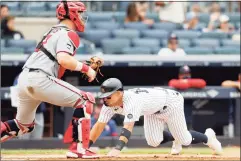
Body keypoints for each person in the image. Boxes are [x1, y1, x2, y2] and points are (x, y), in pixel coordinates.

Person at [0, 1, 103, 159]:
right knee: (86, 100)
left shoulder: (53, 31)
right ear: (72, 14)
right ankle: (79, 149)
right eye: (80, 13)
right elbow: (63, 59)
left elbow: (59, 66)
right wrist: (86, 69)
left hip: (24, 79)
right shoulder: (69, 33)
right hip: (39, 78)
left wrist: (77, 65)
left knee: (23, 125)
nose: (82, 17)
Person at [89, 78, 222, 157]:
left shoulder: (132, 101)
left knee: (185, 139)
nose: (105, 99)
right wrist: (86, 146)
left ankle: (208, 137)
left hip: (170, 102)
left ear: (119, 93)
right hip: (152, 110)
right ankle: (175, 137)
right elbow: (99, 125)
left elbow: (128, 127)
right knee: (153, 142)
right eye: (104, 96)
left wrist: (117, 149)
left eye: (109, 96)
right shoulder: (108, 104)